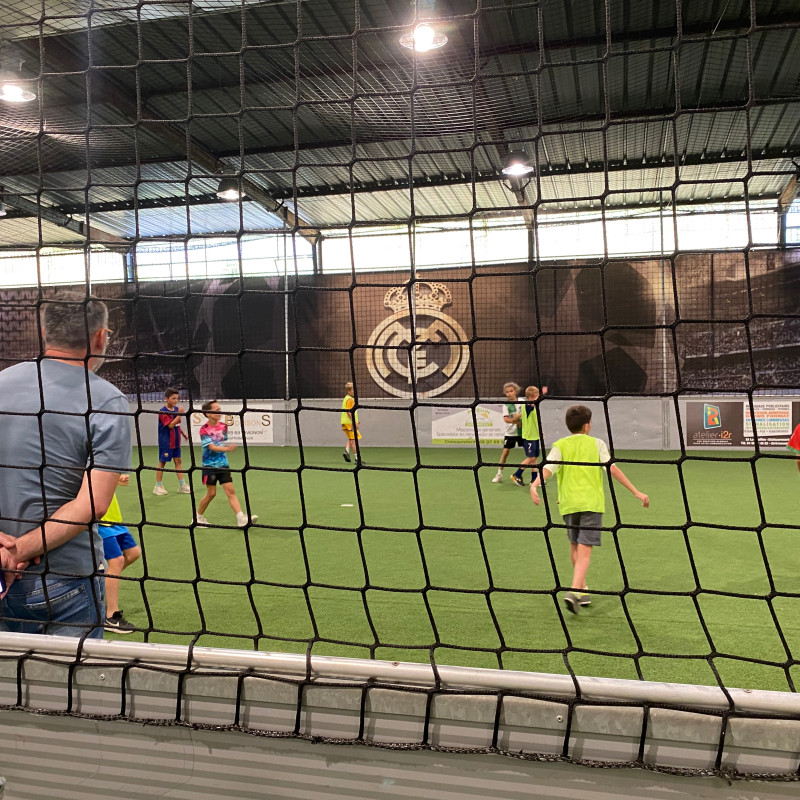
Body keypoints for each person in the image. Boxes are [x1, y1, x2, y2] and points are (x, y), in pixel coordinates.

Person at [0, 293, 130, 638]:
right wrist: (21, 552)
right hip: (66, 579)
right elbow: (94, 504)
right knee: (75, 689)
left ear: (45, 334)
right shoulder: (106, 399)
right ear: (101, 337)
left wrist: (5, 555)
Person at [530, 404, 649, 614]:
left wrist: (534, 484)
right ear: (587, 425)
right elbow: (613, 469)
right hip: (591, 505)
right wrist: (636, 491)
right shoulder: (597, 444)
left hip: (568, 505)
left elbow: (548, 469)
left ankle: (583, 591)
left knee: (575, 547)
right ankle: (574, 591)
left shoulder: (560, 445)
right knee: (585, 552)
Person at [195, 400, 258, 528]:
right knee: (211, 493)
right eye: (216, 410)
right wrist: (227, 449)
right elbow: (212, 447)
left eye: (220, 409)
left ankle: (241, 518)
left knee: (230, 491)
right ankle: (197, 518)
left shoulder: (223, 426)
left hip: (223, 465)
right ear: (208, 413)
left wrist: (225, 450)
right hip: (209, 467)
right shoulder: (204, 430)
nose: (220, 412)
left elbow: (221, 441)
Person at [98, 474, 140, 634]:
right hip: (100, 520)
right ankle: (111, 617)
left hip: (115, 519)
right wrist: (115, 479)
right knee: (116, 561)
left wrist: (116, 480)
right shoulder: (83, 459)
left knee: (134, 553)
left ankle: (104, 581)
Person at [153, 388, 189, 495]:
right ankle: (158, 486)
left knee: (178, 461)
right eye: (173, 398)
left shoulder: (177, 409)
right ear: (166, 399)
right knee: (162, 462)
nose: (175, 401)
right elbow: (170, 425)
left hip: (176, 441)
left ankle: (182, 485)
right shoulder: (163, 411)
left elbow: (176, 424)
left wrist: (182, 433)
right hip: (166, 441)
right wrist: (180, 414)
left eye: (177, 398)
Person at [511, 385, 547, 487]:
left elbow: (534, 421)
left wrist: (540, 431)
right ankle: (516, 475)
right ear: (531, 397)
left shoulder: (534, 407)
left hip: (535, 436)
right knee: (531, 457)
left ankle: (534, 479)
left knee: (534, 458)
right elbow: (531, 405)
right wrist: (542, 393)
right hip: (529, 437)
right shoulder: (527, 406)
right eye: (536, 397)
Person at [492, 382, 522, 483]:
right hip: (510, 433)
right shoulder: (506, 405)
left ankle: (534, 476)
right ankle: (499, 474)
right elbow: (506, 419)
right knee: (505, 453)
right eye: (507, 392)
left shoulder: (522, 401)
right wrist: (516, 421)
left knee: (530, 455)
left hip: (523, 432)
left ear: (516, 391)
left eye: (511, 391)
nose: (509, 393)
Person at [341, 381, 362, 463]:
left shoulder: (346, 398)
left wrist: (357, 420)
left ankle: (346, 451)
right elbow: (349, 412)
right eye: (353, 390)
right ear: (349, 391)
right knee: (354, 440)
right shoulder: (350, 399)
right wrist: (354, 422)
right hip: (349, 423)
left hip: (345, 422)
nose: (355, 392)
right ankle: (357, 459)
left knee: (351, 438)